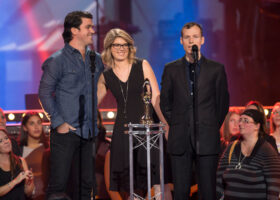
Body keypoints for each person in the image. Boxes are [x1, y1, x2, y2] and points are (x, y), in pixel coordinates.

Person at [97, 28, 171, 199]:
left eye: (125, 44)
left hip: (147, 129)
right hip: (123, 131)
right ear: (109, 48)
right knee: (129, 183)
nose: (121, 48)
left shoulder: (142, 65)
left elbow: (155, 97)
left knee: (155, 179)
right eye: (116, 45)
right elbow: (92, 102)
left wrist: (165, 124)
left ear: (130, 47)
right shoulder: (105, 76)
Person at [38, 11, 104, 200]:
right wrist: (59, 123)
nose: (93, 30)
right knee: (59, 185)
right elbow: (44, 93)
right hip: (66, 132)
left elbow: (102, 85)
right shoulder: (57, 60)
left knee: (86, 186)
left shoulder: (96, 59)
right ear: (74, 30)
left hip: (90, 132)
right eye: (88, 27)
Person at [160, 22, 229, 200]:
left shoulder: (216, 69)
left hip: (207, 138)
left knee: (207, 191)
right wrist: (178, 122)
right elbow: (165, 102)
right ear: (181, 41)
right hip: (180, 138)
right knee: (181, 191)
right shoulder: (171, 69)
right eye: (187, 37)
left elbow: (222, 104)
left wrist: (210, 125)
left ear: (203, 40)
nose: (192, 41)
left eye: (195, 37)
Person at [216, 109, 280, 199]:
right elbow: (218, 179)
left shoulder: (267, 150)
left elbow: (273, 187)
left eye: (246, 121)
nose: (241, 124)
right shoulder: (232, 147)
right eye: (240, 120)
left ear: (257, 126)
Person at [18, 112, 50, 200]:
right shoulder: (18, 151)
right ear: (24, 127)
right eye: (32, 123)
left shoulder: (49, 148)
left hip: (47, 195)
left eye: (39, 123)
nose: (36, 127)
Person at [0, 127, 35, 199]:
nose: (6, 141)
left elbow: (28, 193)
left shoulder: (21, 161)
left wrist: (30, 182)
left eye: (6, 138)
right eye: (0, 141)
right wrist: (15, 181)